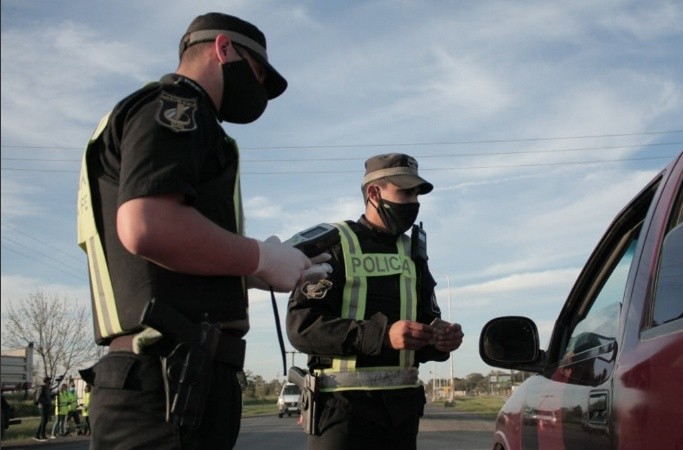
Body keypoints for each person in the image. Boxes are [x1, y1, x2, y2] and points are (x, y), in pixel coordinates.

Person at [76, 12, 319, 450]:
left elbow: (157, 264)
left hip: (172, 376)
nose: (259, 88)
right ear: (223, 48)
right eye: (258, 71)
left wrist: (254, 270)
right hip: (164, 376)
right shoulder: (177, 107)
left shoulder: (165, 117)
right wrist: (259, 257)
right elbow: (148, 226)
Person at [286, 153, 464, 450]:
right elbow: (302, 328)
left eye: (417, 194)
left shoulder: (413, 253)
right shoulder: (335, 244)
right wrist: (382, 335)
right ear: (373, 192)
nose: (413, 202)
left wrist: (439, 338)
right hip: (341, 413)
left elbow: (425, 321)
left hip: (401, 414)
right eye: (405, 192)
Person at [33, 377, 53, 441]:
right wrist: (46, 402)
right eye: (49, 382)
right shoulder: (42, 388)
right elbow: (38, 398)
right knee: (44, 421)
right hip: (42, 407)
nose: (50, 383)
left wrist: (54, 394)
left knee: (44, 421)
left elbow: (49, 397)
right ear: (46, 381)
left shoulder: (47, 389)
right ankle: (41, 435)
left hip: (46, 407)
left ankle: (38, 435)